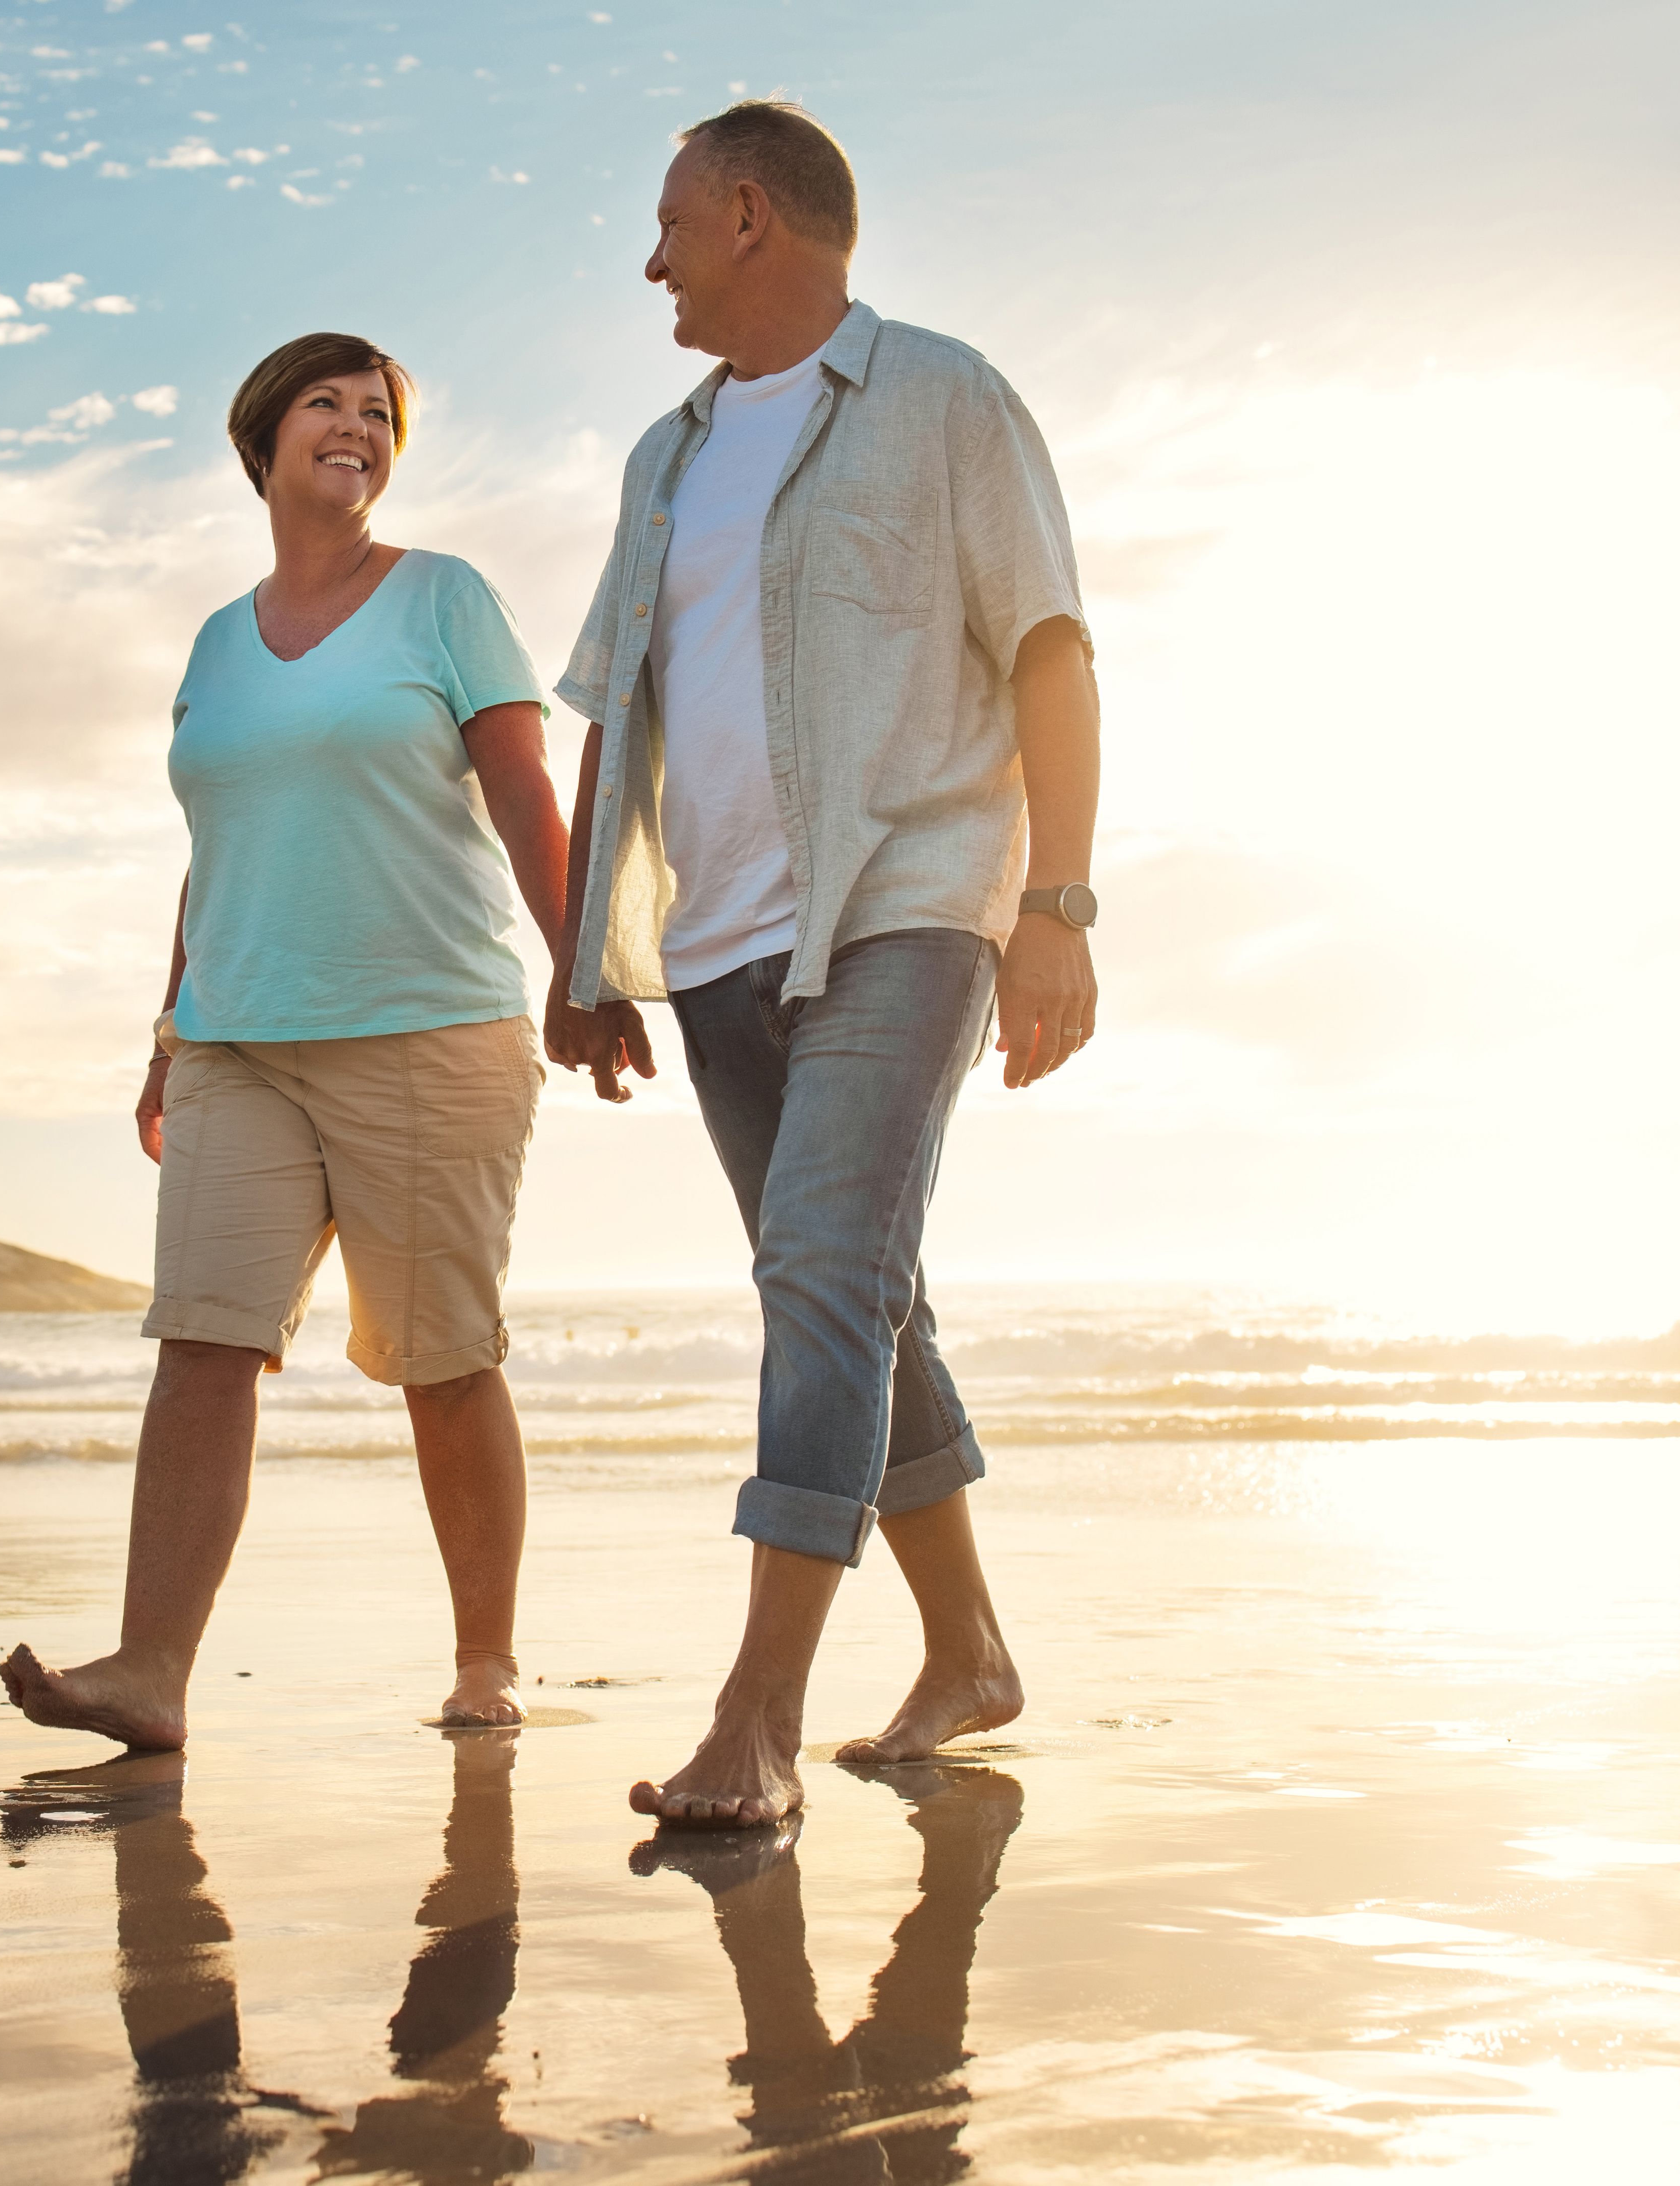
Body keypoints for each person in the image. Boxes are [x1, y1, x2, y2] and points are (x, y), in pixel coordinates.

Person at [546, 104, 1105, 1827]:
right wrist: (585, 948)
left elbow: (1052, 648)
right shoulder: (666, 454)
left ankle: (757, 1722)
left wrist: (1057, 907)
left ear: (743, 214)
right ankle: (971, 1653)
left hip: (906, 905)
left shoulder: (944, 398)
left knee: (820, 1273)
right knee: (857, 1287)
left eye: (665, 226)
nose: (650, 263)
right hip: (713, 944)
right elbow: (613, 710)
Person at [2, 333, 570, 1748]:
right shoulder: (216, 642)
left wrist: (586, 971)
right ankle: (150, 1672)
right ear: (264, 438)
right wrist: (167, 1026)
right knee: (201, 1343)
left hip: (429, 1026)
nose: (358, 427)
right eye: (328, 402)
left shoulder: (444, 600)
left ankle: (487, 1658)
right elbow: (217, 842)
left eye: (380, 414)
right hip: (234, 1044)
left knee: (443, 1360)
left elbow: (522, 789)